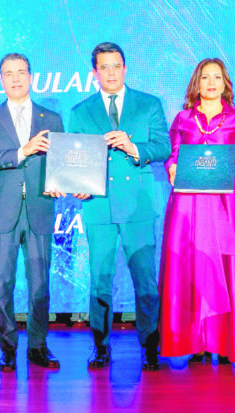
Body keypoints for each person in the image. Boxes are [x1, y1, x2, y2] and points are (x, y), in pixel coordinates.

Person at [159, 58, 235, 364]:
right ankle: (197, 339)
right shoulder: (183, 118)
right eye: (205, 77)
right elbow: (173, 156)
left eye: (217, 78)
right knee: (191, 268)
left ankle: (225, 341)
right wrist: (172, 168)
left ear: (226, 84)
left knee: (227, 268)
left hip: (226, 204)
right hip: (189, 203)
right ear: (196, 83)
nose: (211, 83)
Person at [68, 42, 170, 371]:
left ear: (125, 68)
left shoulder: (148, 104)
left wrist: (133, 146)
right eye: (104, 67)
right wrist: (77, 186)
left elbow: (163, 146)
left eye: (116, 66)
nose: (111, 73)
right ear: (94, 73)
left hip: (138, 206)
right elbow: (75, 159)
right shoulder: (81, 112)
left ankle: (151, 344)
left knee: (146, 280)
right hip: (98, 206)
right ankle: (100, 345)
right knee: (99, 278)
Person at [0, 53, 64, 372]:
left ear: (31, 77)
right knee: (2, 283)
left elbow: (61, 162)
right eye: (8, 73)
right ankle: (8, 347)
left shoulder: (51, 117)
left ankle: (38, 345)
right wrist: (20, 151)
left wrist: (60, 182)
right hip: (1, 210)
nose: (15, 78)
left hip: (39, 207)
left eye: (21, 72)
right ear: (0, 80)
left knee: (40, 283)